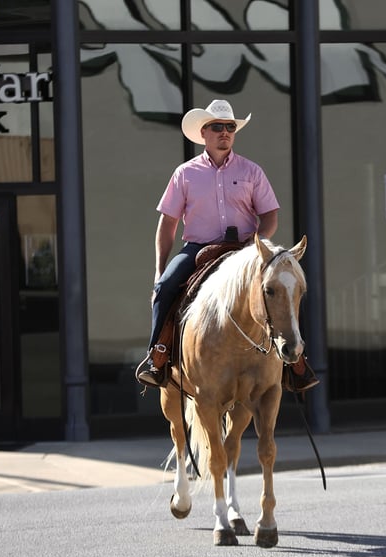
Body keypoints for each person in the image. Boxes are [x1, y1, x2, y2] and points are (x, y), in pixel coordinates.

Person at [135, 99, 319, 393]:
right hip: (198, 249)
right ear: (204, 133)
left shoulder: (252, 171)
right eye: (218, 127)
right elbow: (167, 224)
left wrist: (257, 244)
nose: (225, 132)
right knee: (166, 287)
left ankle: (296, 361)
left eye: (230, 127)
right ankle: (157, 358)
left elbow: (269, 215)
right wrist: (159, 269)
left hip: (244, 251)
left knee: (283, 288)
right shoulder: (185, 173)